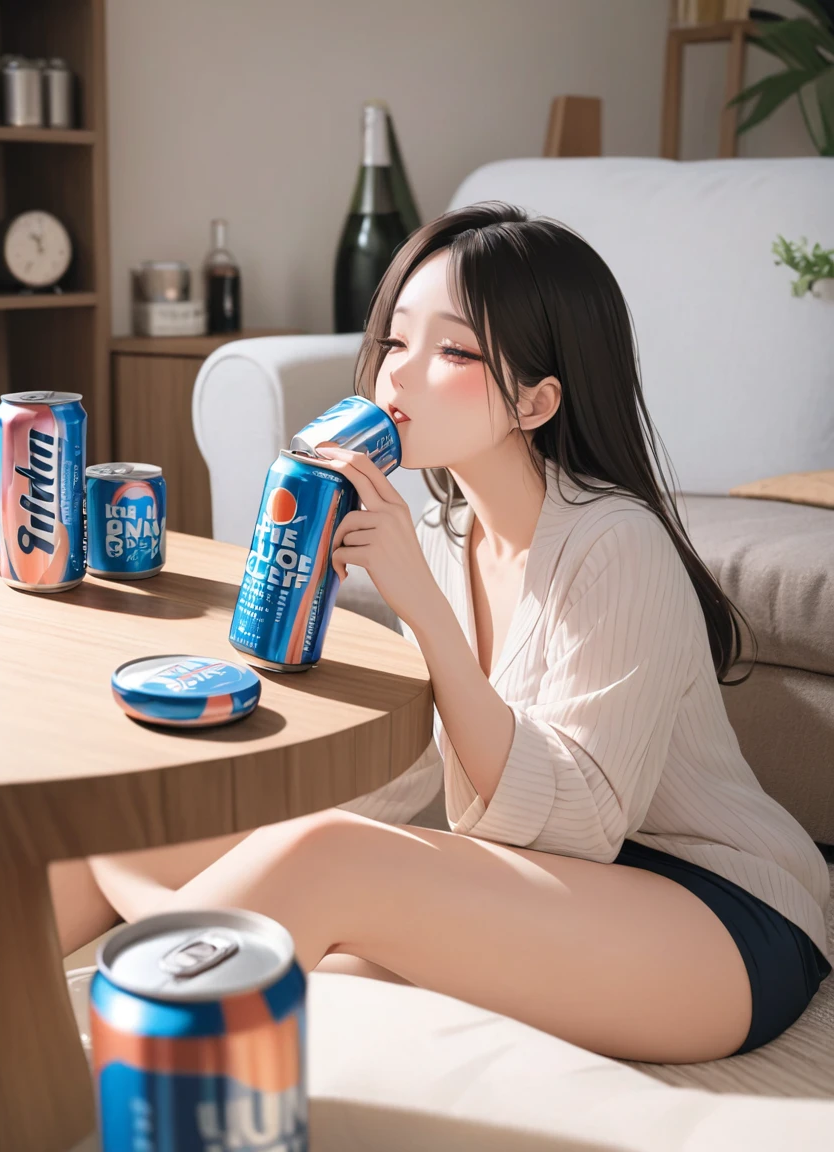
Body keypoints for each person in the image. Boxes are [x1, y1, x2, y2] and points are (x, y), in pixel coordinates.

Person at [51, 202, 831, 1065]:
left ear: (536, 401)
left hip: (717, 916)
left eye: (453, 351)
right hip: (561, 896)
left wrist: (417, 606)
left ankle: (81, 1080)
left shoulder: (617, 543)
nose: (398, 378)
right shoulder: (442, 528)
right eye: (395, 342)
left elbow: (574, 829)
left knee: (324, 859)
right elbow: (418, 777)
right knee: (134, 826)